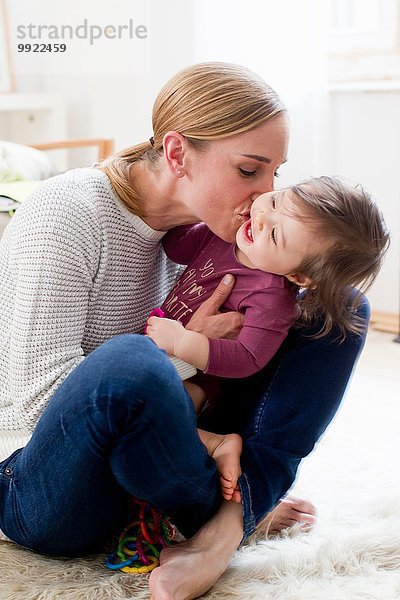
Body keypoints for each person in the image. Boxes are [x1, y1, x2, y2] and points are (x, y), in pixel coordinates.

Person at [0, 62, 389, 600]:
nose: (264, 193)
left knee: (337, 306)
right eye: (250, 171)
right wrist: (183, 359)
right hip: (47, 489)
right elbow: (29, 403)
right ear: (178, 154)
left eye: (276, 173)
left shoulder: (218, 232)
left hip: (157, 456)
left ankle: (227, 524)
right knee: (132, 360)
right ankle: (235, 506)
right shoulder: (65, 216)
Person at [146, 176, 389, 502]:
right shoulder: (225, 236)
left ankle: (218, 458)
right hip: (159, 346)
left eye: (274, 234)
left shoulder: (272, 300)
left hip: (199, 383)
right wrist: (193, 204)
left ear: (299, 276)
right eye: (275, 202)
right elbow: (176, 246)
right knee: (135, 403)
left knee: (153, 411)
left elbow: (248, 357)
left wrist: (184, 343)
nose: (260, 219)